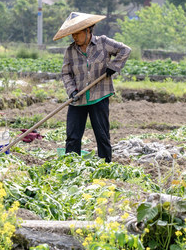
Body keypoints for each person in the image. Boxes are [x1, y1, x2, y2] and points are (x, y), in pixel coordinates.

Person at [56, 11, 131, 162]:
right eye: (72, 35)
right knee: (72, 136)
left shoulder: (103, 43)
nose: (74, 37)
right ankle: (71, 166)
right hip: (78, 99)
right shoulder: (70, 51)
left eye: (77, 34)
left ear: (87, 30)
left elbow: (125, 50)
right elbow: (66, 73)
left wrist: (114, 66)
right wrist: (71, 91)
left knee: (102, 135)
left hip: (99, 97)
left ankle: (106, 166)